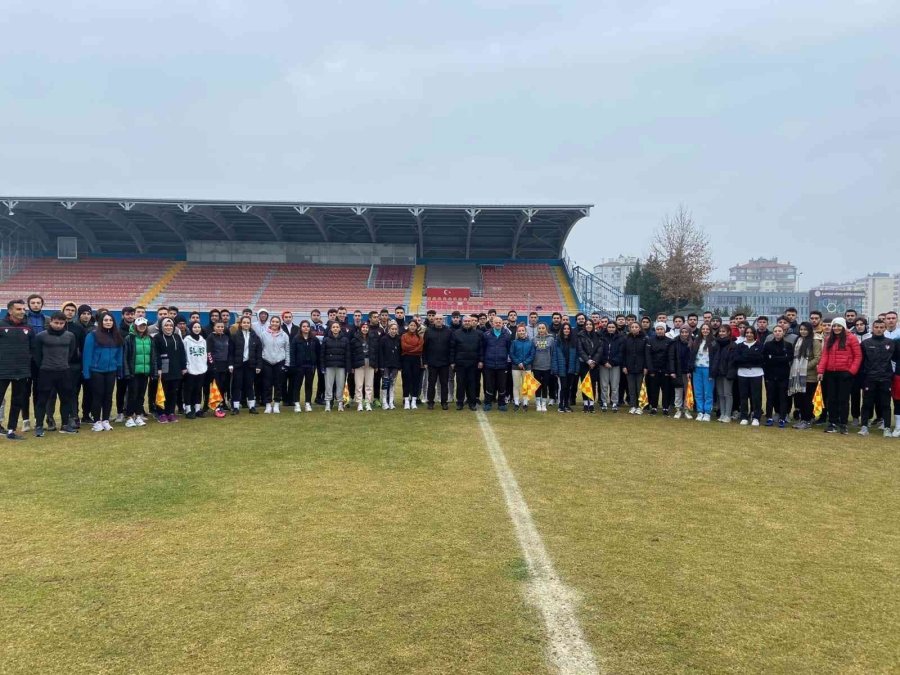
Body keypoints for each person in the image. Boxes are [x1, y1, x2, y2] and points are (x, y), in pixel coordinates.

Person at [32, 312, 78, 437]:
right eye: (56, 323)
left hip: (64, 371)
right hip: (46, 372)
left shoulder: (70, 336)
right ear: (51, 321)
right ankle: (39, 426)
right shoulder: (41, 336)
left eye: (61, 323)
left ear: (65, 323)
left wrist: (62, 363)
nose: (58, 325)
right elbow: (37, 356)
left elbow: (71, 352)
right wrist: (45, 365)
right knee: (42, 400)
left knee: (66, 399)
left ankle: (64, 425)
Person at [817, 317, 862, 434]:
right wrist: (821, 371)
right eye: (834, 326)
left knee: (843, 399)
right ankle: (832, 422)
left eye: (839, 326)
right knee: (831, 399)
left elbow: (858, 356)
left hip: (845, 373)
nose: (836, 328)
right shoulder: (828, 339)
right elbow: (824, 356)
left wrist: (851, 371)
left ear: (843, 327)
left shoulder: (851, 338)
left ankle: (843, 423)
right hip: (830, 373)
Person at [83, 311, 124, 431]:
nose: (108, 322)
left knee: (108, 396)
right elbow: (87, 355)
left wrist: (119, 368)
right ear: (101, 322)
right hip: (96, 371)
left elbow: (119, 354)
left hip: (111, 370)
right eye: (106, 320)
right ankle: (97, 421)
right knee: (97, 396)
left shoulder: (117, 336)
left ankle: (105, 420)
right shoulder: (92, 335)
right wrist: (86, 372)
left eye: (110, 320)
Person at [858, 319, 897, 437]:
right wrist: (862, 378)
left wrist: (891, 375)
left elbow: (895, 360)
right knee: (866, 403)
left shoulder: (891, 343)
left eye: (881, 327)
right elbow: (861, 361)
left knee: (885, 404)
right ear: (872, 328)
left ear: (885, 328)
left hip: (885, 379)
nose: (879, 329)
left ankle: (886, 428)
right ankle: (864, 426)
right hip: (869, 378)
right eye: (876, 327)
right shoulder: (865, 343)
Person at [788, 322, 822, 430]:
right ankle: (803, 419)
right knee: (800, 399)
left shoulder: (815, 341)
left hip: (810, 376)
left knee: (808, 400)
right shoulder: (798, 340)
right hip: (797, 376)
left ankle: (807, 421)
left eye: (805, 329)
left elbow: (817, 358)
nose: (803, 331)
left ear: (810, 330)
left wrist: (804, 367)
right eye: (801, 329)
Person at [122, 317, 155, 427]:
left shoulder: (149, 338)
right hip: (133, 372)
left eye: (144, 325)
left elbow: (153, 356)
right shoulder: (129, 338)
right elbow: (125, 356)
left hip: (144, 372)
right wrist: (127, 371)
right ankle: (129, 417)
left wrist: (152, 371)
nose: (142, 327)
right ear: (135, 326)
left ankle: (138, 415)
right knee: (132, 395)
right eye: (140, 325)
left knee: (141, 395)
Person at [154, 317, 187, 423]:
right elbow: (156, 354)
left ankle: (171, 412)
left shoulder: (177, 337)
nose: (168, 327)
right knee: (163, 392)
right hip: (164, 369)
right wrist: (158, 368)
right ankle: (161, 413)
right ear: (162, 327)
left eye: (171, 326)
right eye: (166, 325)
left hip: (176, 369)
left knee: (173, 392)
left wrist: (183, 367)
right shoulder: (157, 337)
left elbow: (182, 352)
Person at [228, 315, 262, 415]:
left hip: (250, 365)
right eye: (244, 322)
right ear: (240, 324)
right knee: (237, 386)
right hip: (238, 364)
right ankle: (235, 407)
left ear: (250, 324)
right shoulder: (235, 336)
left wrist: (259, 365)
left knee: (249, 386)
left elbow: (258, 352)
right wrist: (230, 364)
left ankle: (252, 407)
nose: (246, 324)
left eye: (248, 323)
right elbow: (231, 352)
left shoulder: (255, 336)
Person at [258, 315, 291, 414]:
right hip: (266, 361)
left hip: (279, 361)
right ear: (270, 322)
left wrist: (287, 363)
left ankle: (276, 404)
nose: (275, 323)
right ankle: (268, 404)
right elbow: (260, 348)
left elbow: (287, 349)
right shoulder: (263, 334)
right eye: (273, 321)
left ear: (279, 323)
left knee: (278, 384)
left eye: (277, 322)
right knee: (267, 384)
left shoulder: (284, 335)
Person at [762, 325, 793, 427]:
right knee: (770, 397)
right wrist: (780, 358)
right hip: (770, 376)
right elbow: (766, 359)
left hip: (783, 376)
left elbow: (788, 358)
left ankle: (782, 418)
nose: (777, 333)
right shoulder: (768, 345)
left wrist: (774, 358)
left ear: (783, 332)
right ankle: (769, 417)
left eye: (780, 331)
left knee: (783, 397)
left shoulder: (788, 345)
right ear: (773, 333)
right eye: (775, 331)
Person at [733, 326, 764, 426]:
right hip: (742, 374)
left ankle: (756, 417)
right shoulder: (740, 346)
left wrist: (746, 357)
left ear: (754, 334)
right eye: (747, 332)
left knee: (756, 397)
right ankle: (744, 416)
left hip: (756, 374)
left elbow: (760, 359)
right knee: (743, 396)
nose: (749, 334)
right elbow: (737, 359)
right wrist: (751, 358)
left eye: (751, 333)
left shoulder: (760, 345)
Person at [450, 314, 482, 411]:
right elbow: (452, 349)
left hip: (473, 363)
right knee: (460, 383)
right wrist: (452, 361)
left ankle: (472, 403)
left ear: (472, 322)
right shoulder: (456, 333)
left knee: (472, 383)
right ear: (462, 322)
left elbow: (481, 349)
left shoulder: (478, 334)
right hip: (460, 364)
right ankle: (460, 402)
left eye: (469, 321)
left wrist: (481, 360)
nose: (467, 323)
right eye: (465, 321)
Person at [482, 316, 512, 412]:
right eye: (496, 322)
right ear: (492, 324)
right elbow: (483, 349)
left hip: (502, 365)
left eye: (500, 322)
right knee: (489, 385)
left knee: (502, 385)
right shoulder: (486, 335)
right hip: (489, 364)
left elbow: (509, 349)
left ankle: (501, 404)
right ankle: (488, 403)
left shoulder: (507, 335)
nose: (498, 324)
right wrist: (483, 361)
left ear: (502, 323)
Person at [423, 314, 453, 410]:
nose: (439, 320)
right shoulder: (428, 331)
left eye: (440, 319)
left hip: (444, 363)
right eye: (437, 319)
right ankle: (430, 402)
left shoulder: (448, 331)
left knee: (444, 383)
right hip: (432, 362)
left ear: (443, 320)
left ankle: (444, 402)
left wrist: (450, 361)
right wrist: (425, 361)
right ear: (434, 320)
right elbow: (425, 348)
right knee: (431, 383)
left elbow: (451, 347)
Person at [289, 320, 320, 412]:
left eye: (307, 326)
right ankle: (297, 404)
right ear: (301, 328)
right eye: (304, 326)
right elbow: (292, 353)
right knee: (297, 385)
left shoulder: (314, 339)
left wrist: (317, 364)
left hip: (310, 366)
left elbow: (318, 352)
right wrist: (293, 365)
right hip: (299, 366)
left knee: (309, 385)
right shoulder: (296, 339)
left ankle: (308, 403)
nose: (306, 328)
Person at [621, 321, 650, 415]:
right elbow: (624, 354)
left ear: (639, 328)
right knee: (631, 389)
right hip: (629, 368)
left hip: (641, 368)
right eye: (632, 327)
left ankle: (640, 406)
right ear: (630, 329)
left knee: (639, 388)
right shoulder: (626, 339)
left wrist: (646, 367)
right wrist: (624, 366)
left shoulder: (645, 339)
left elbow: (647, 355)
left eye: (636, 327)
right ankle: (633, 406)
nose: (634, 328)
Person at [322, 321, 351, 412]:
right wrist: (322, 366)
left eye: (337, 327)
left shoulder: (345, 340)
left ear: (340, 328)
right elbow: (322, 354)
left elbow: (348, 354)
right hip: (329, 366)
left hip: (341, 366)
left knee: (340, 385)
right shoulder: (326, 339)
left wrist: (348, 367)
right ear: (331, 329)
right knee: (328, 385)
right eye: (333, 327)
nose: (335, 328)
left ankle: (340, 403)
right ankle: (327, 403)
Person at [646, 322, 674, 415]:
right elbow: (648, 356)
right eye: (658, 329)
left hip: (665, 370)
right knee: (654, 390)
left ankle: (665, 408)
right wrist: (651, 369)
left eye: (661, 329)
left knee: (666, 390)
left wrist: (668, 370)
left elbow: (670, 356)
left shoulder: (670, 341)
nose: (659, 331)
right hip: (654, 370)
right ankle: (654, 407)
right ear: (655, 330)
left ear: (664, 330)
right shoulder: (650, 340)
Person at [183, 321, 209, 419]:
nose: (197, 329)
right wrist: (186, 366)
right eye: (195, 327)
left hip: (201, 368)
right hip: (190, 369)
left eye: (198, 327)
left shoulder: (203, 340)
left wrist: (204, 365)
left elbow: (205, 354)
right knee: (189, 390)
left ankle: (197, 409)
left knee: (198, 389)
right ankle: (188, 410)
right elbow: (184, 354)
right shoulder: (186, 340)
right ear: (191, 328)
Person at [206, 321, 232, 416]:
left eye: (222, 327)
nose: (220, 328)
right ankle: (216, 407)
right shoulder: (210, 337)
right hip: (215, 366)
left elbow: (229, 352)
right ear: (214, 327)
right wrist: (212, 365)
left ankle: (222, 404)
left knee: (223, 386)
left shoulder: (226, 337)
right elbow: (209, 353)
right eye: (218, 327)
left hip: (225, 365)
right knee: (216, 386)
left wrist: (230, 364)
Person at [690, 323, 715, 421]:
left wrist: (713, 371)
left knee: (708, 392)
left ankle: (707, 412)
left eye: (707, 329)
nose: (705, 330)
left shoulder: (713, 342)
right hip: (697, 369)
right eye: (703, 329)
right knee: (698, 392)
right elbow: (692, 356)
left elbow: (716, 357)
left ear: (710, 330)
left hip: (708, 369)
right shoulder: (696, 341)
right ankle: (700, 412)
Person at [711, 324, 736, 423]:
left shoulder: (732, 345)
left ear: (728, 332)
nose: (721, 333)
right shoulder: (715, 344)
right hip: (718, 373)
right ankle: (722, 414)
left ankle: (727, 415)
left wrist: (730, 373)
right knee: (720, 394)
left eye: (723, 331)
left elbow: (733, 361)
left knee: (727, 394)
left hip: (727, 373)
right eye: (720, 331)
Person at [350, 322, 377, 411]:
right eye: (363, 327)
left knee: (369, 385)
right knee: (359, 384)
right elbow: (352, 354)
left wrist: (375, 364)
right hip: (359, 363)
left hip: (370, 363)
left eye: (366, 327)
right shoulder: (355, 339)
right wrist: (353, 366)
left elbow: (375, 353)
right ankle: (359, 403)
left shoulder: (373, 339)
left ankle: (367, 402)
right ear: (360, 328)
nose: (365, 329)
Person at [552, 322, 578, 413]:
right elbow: (554, 356)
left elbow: (576, 357)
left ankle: (567, 405)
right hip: (561, 368)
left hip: (571, 368)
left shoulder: (574, 341)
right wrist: (555, 369)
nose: (566, 330)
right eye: (564, 329)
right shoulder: (557, 341)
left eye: (568, 329)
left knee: (569, 387)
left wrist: (576, 369)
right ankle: (560, 405)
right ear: (562, 330)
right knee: (563, 387)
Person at [509, 324, 536, 412]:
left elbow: (532, 355)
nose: (521, 332)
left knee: (526, 386)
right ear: (517, 332)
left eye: (522, 330)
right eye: (519, 331)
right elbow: (511, 354)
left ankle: (525, 403)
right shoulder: (514, 342)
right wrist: (518, 363)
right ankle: (516, 402)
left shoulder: (530, 342)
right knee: (516, 385)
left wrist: (524, 363)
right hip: (515, 367)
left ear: (525, 332)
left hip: (527, 367)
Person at [576, 319, 601, 413]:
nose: (589, 326)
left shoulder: (598, 336)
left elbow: (600, 349)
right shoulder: (580, 336)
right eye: (587, 324)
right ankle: (586, 404)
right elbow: (580, 350)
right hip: (584, 364)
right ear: (584, 325)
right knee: (585, 383)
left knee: (593, 384)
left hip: (595, 364)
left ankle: (591, 404)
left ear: (593, 325)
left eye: (590, 324)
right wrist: (588, 360)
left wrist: (594, 361)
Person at [599, 321, 623, 412]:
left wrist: (612, 362)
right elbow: (600, 351)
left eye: (613, 327)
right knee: (604, 385)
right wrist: (604, 362)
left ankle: (614, 402)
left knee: (614, 385)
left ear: (616, 328)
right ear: (607, 328)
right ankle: (604, 402)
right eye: (609, 327)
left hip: (615, 365)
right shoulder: (602, 337)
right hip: (603, 365)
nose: (611, 329)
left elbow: (621, 353)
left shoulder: (620, 338)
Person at [400, 320, 424, 409]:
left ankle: (414, 400)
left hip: (416, 360)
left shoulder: (420, 337)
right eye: (411, 325)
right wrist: (413, 348)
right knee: (406, 379)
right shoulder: (403, 336)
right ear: (408, 326)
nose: (412, 327)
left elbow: (420, 348)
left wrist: (410, 349)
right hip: (406, 359)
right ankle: (406, 400)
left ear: (416, 327)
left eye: (414, 325)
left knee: (416, 380)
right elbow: (404, 347)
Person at [670, 326, 694, 419]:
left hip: (688, 372)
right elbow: (671, 357)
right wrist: (672, 370)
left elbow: (693, 358)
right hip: (677, 371)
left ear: (689, 333)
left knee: (688, 392)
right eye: (682, 332)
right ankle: (678, 410)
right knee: (678, 391)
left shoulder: (693, 343)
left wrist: (690, 370)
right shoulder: (675, 342)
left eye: (686, 332)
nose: (684, 334)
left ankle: (687, 410)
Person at [531, 323, 555, 413]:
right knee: (537, 386)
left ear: (546, 329)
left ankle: (544, 404)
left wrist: (552, 365)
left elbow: (552, 353)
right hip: (536, 366)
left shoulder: (551, 339)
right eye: (539, 328)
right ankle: (538, 404)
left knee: (545, 386)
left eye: (543, 328)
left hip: (547, 367)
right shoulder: (533, 339)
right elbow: (532, 353)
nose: (541, 330)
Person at [378, 322, 402, 410]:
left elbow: (400, 353)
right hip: (385, 366)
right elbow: (381, 353)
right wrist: (381, 365)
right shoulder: (383, 339)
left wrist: (399, 365)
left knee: (392, 384)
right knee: (385, 384)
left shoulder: (399, 339)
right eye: (392, 329)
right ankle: (384, 402)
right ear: (389, 329)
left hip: (395, 365)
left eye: (395, 329)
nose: (394, 331)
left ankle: (391, 402)